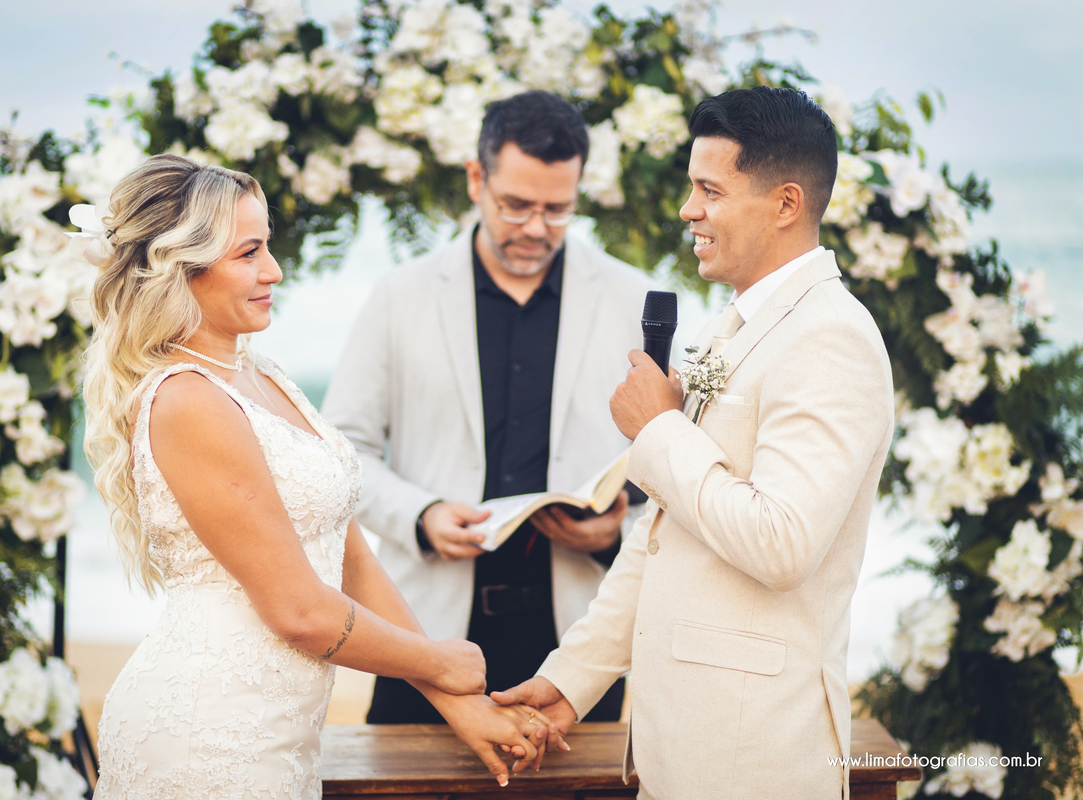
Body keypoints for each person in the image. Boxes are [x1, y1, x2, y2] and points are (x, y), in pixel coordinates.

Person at [80, 154, 553, 798]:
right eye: (248, 253)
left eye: (267, 246)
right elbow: (299, 610)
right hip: (206, 733)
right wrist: (442, 660)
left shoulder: (262, 374)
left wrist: (455, 701)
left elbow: (349, 556)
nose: (273, 271)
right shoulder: (187, 401)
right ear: (180, 270)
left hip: (281, 735)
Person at [493, 87, 896, 798]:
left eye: (709, 190)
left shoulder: (831, 338)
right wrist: (570, 682)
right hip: (675, 751)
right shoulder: (726, 329)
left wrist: (660, 430)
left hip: (753, 758)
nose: (688, 210)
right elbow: (663, 539)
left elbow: (783, 543)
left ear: (785, 204)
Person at [321, 91, 658, 725]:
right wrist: (420, 516)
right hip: (424, 633)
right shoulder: (400, 295)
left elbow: (670, 465)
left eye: (558, 210)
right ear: (476, 179)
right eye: (517, 205)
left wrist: (616, 531)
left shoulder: (632, 298)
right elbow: (340, 450)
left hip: (579, 638)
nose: (537, 228)